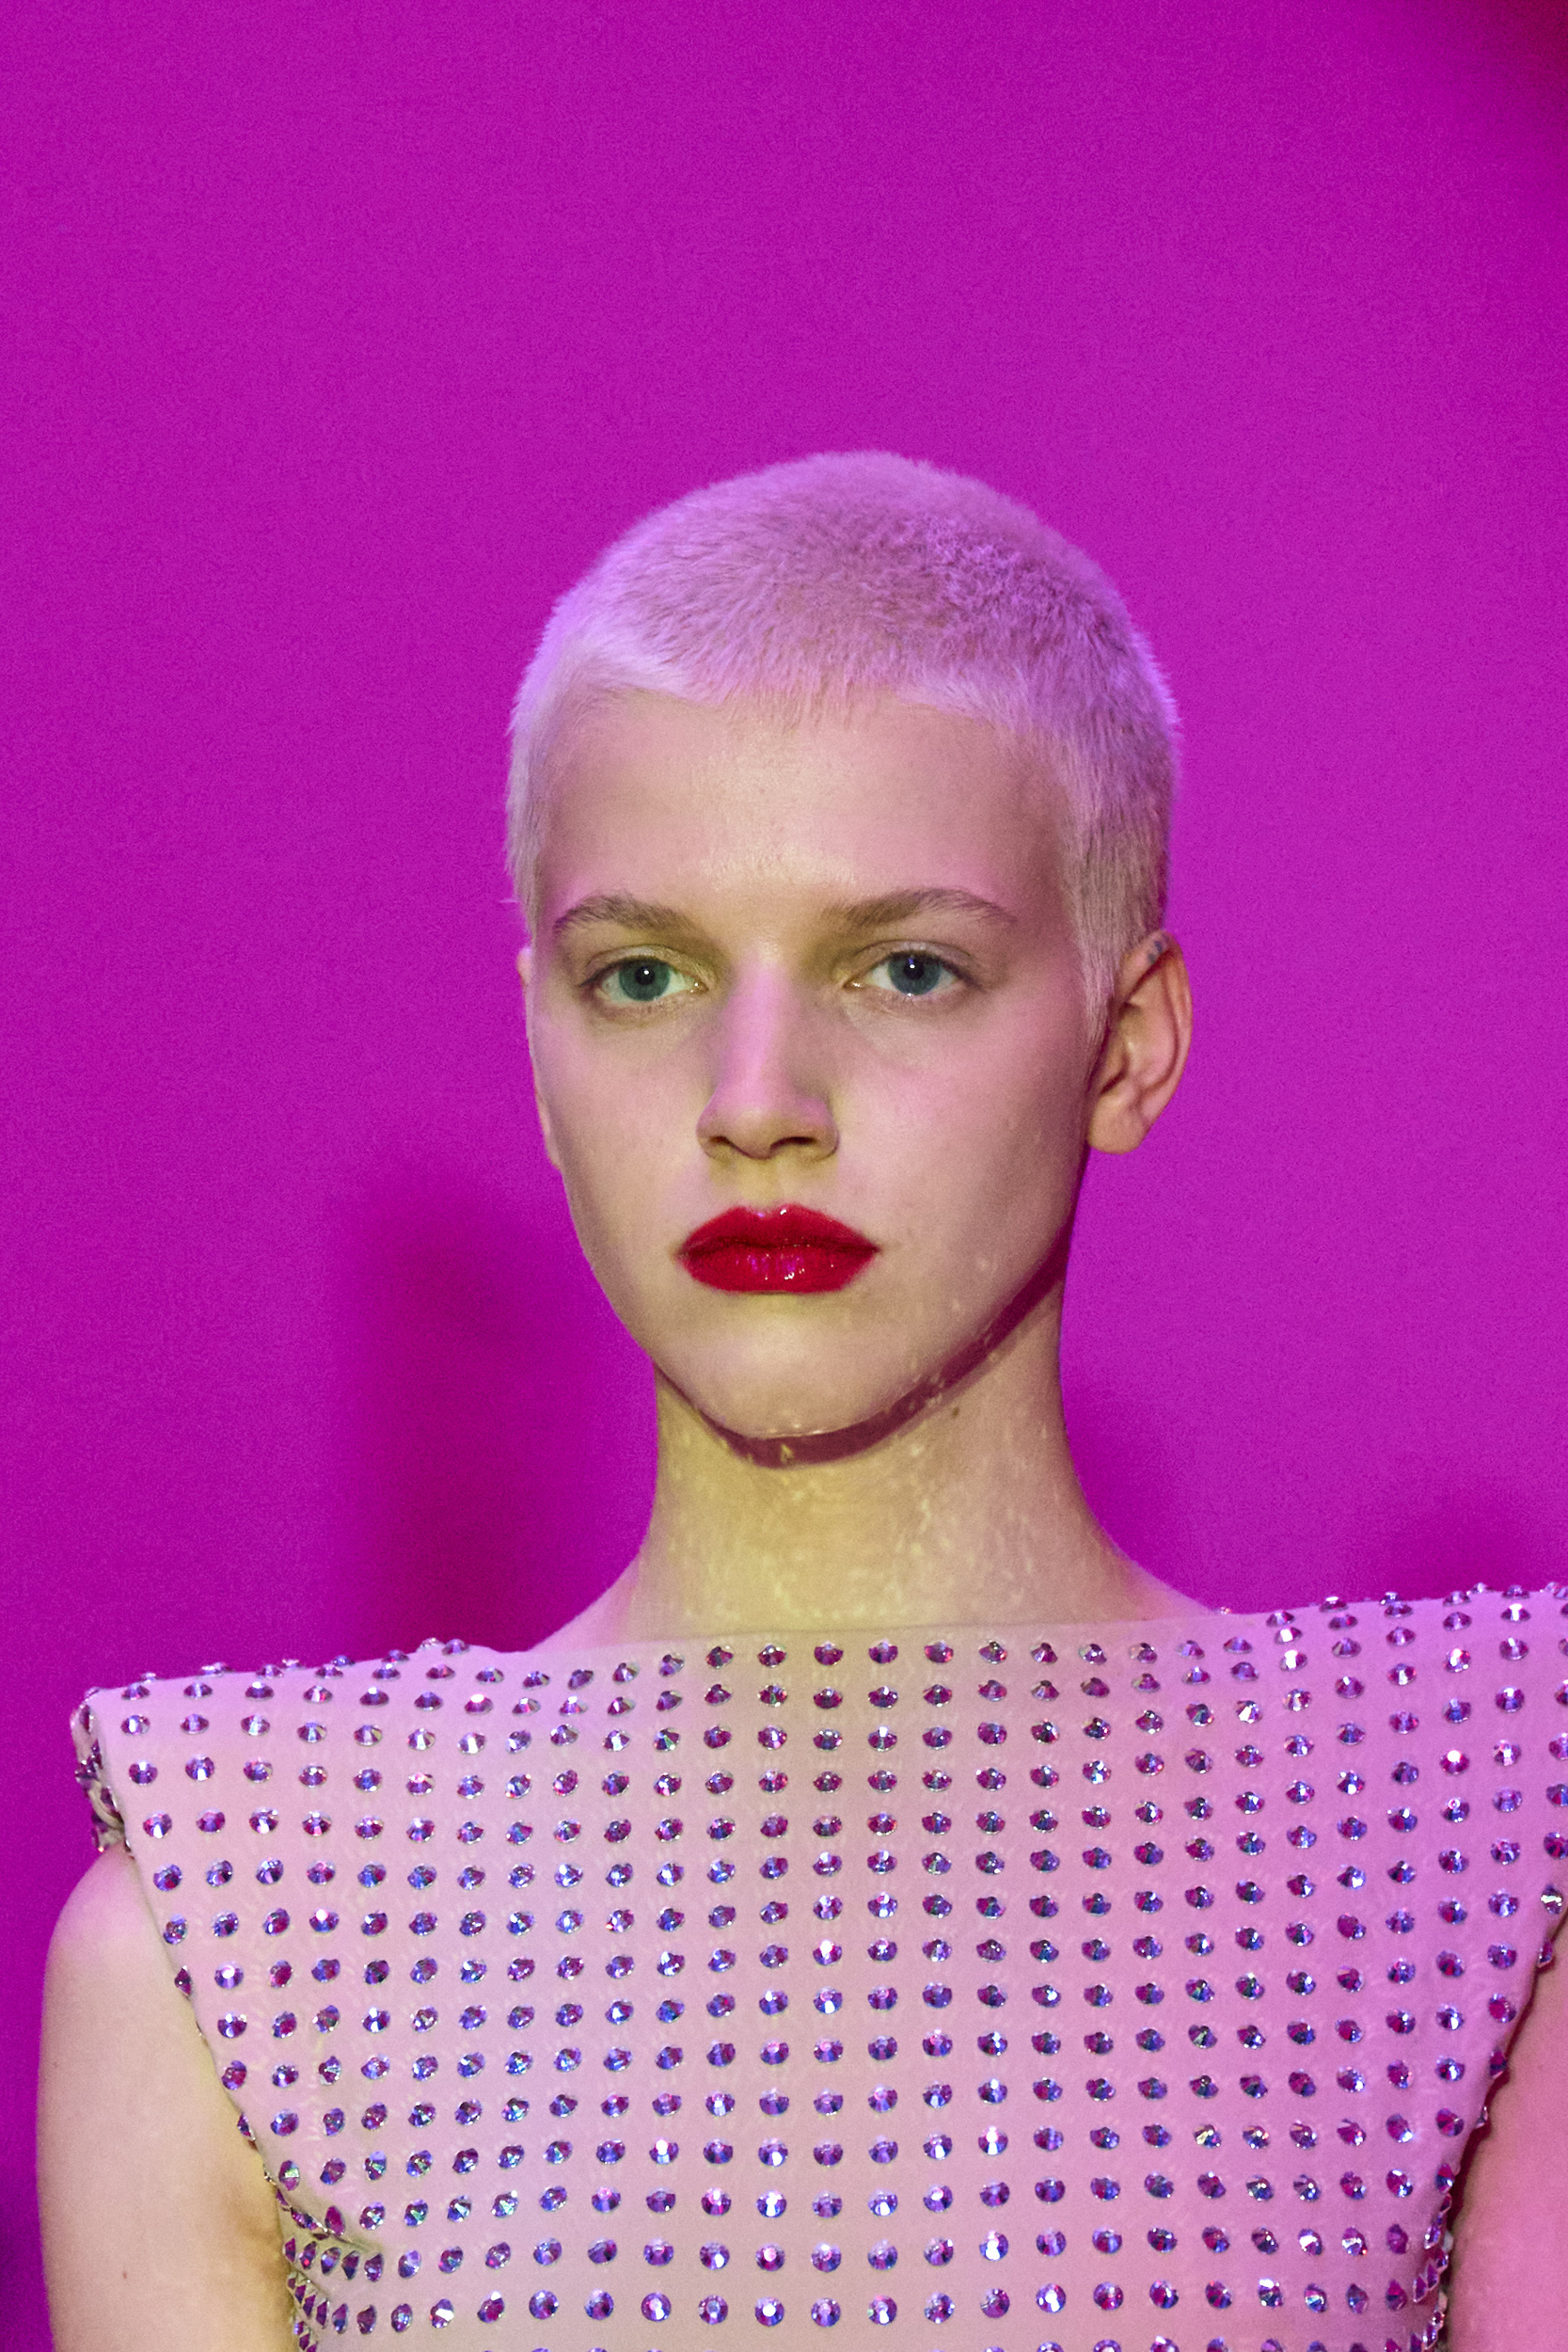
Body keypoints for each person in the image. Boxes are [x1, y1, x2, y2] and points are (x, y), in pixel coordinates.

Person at [38, 453, 1567, 2350]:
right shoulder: (248, 1921)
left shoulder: (1470, 1848)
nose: (756, 1098)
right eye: (644, 975)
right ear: (538, 1046)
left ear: (1128, 1040)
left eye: (907, 967)